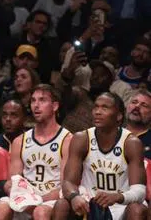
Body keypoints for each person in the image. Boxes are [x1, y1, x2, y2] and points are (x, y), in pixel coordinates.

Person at [54, 92, 146, 220]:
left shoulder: (131, 143)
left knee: (137, 209)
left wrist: (117, 197)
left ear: (119, 115)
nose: (98, 111)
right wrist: (75, 196)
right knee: (62, 204)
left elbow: (140, 191)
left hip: (121, 206)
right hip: (90, 205)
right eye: (96, 107)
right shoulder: (82, 139)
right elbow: (68, 182)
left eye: (104, 108)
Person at [0, 85, 69, 220]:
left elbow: (65, 186)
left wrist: (37, 200)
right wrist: (17, 195)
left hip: (51, 200)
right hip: (25, 198)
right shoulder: (20, 141)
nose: (36, 105)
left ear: (55, 106)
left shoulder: (67, 140)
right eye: (33, 100)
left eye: (42, 100)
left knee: (40, 212)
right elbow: (12, 181)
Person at [124, 89, 151, 157]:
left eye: (144, 105)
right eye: (134, 102)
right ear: (127, 107)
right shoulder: (112, 134)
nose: (137, 106)